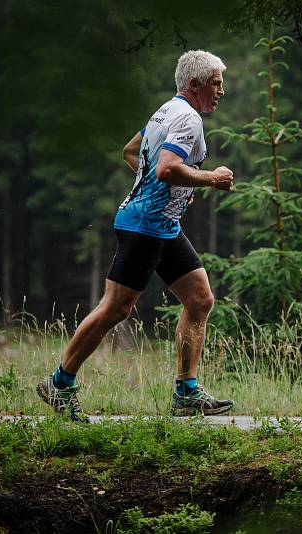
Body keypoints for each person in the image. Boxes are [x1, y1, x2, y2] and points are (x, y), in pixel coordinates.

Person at [37, 50, 236, 421]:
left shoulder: (165, 111)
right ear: (194, 85)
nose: (222, 90)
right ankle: (59, 382)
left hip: (162, 224)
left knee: (200, 298)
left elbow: (131, 152)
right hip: (144, 225)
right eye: (216, 83)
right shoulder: (188, 120)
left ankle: (186, 392)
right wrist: (210, 178)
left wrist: (174, 190)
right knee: (116, 308)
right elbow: (166, 169)